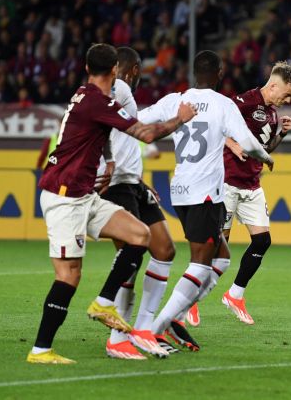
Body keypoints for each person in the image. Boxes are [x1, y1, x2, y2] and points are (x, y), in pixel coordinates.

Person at [27, 43, 196, 364]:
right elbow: (146, 135)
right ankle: (40, 350)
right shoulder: (99, 101)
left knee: (139, 235)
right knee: (68, 276)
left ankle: (104, 302)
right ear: (115, 71)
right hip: (64, 197)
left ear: (87, 67)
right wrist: (180, 118)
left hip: (85, 194)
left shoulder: (83, 94)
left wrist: (109, 162)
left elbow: (99, 135)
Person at [135, 50, 274, 351]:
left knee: (221, 258)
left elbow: (137, 121)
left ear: (193, 72)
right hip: (205, 194)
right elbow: (248, 142)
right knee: (201, 263)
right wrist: (266, 156)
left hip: (181, 190)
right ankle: (160, 327)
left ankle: (175, 317)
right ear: (221, 72)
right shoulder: (223, 105)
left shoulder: (174, 100)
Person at [188, 61, 291, 326]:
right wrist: (232, 144)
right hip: (227, 183)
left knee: (262, 241)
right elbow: (214, 126)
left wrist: (282, 135)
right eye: (286, 94)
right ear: (273, 85)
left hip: (252, 184)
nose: (287, 100)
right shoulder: (242, 102)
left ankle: (235, 295)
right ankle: (190, 301)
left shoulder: (273, 114)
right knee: (216, 249)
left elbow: (265, 150)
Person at [96, 47, 177, 360]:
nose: (141, 74)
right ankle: (118, 337)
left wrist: (140, 180)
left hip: (132, 182)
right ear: (128, 69)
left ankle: (143, 330)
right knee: (131, 256)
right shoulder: (120, 86)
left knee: (165, 249)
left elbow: (120, 138)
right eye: (139, 68)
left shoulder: (121, 98)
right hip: (116, 185)